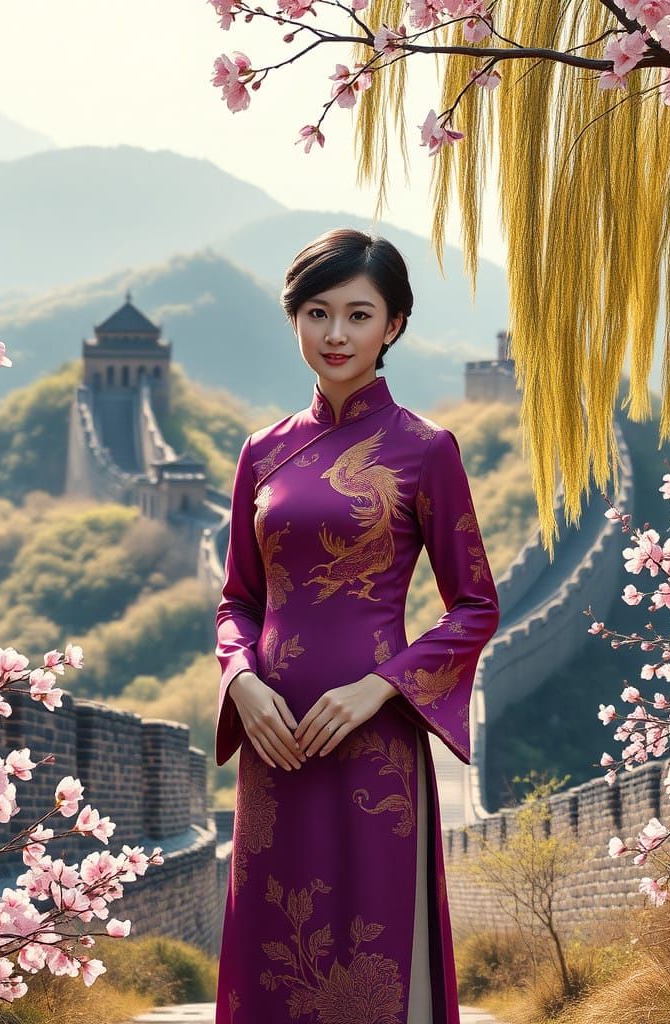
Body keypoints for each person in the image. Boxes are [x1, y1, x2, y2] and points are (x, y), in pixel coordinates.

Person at [213, 227, 501, 1024]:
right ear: (295, 320)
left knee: (371, 954)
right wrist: (240, 683)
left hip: (371, 745)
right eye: (316, 313)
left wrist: (381, 688)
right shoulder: (261, 453)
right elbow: (238, 598)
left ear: (394, 325)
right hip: (272, 742)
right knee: (273, 951)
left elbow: (476, 602)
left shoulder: (424, 450)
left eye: (358, 314)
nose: (335, 334)